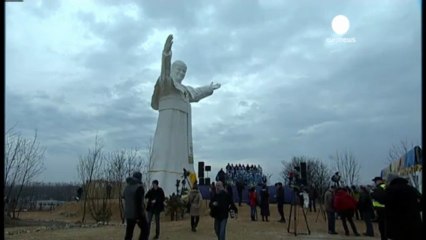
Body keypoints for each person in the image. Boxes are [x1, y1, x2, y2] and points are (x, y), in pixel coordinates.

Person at [149, 34, 221, 195]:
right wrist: (166, 54)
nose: (181, 73)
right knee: (166, 152)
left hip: (183, 129)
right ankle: (165, 188)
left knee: (185, 158)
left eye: (184, 71)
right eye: (179, 70)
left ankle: (190, 188)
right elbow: (165, 72)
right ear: (173, 70)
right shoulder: (167, 84)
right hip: (169, 124)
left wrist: (210, 88)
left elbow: (196, 93)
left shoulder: (186, 91)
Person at [384, 173, 422, 240]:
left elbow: (388, 205)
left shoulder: (390, 189)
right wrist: (417, 209)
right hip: (414, 224)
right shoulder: (412, 189)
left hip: (397, 225)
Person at [123, 171, 149, 240]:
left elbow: (125, 199)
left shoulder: (127, 188)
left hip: (128, 214)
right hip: (137, 214)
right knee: (145, 229)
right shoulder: (139, 187)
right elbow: (138, 203)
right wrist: (139, 216)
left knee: (129, 233)